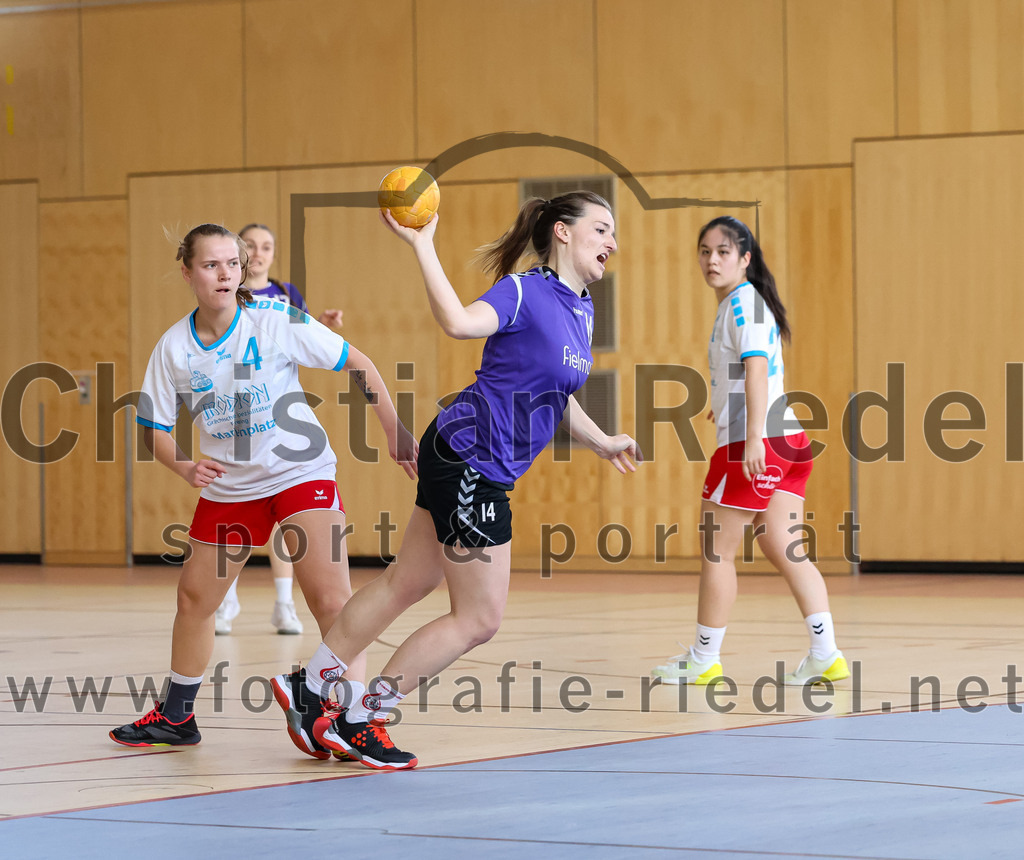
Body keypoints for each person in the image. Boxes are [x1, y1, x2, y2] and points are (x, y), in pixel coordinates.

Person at [271, 191, 642, 770]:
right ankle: (359, 718)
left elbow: (557, 391)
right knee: (479, 618)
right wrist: (423, 245)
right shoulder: (524, 291)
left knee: (405, 584)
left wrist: (602, 441)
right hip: (473, 458)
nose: (612, 242)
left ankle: (312, 688)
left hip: (462, 452)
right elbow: (458, 322)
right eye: (601, 229)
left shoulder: (582, 306)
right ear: (564, 233)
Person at [110, 223, 416, 749]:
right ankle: (178, 717)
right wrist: (184, 467)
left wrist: (394, 429)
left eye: (233, 263)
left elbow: (357, 362)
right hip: (231, 486)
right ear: (188, 273)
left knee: (332, 598)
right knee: (195, 598)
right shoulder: (174, 348)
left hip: (301, 472)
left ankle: (355, 720)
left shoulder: (273, 319)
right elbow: (154, 428)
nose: (225, 273)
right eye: (211, 265)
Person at [651, 215, 850, 688]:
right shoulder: (742, 305)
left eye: (722, 251)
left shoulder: (742, 304)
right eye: (704, 251)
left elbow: (757, 370)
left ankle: (703, 658)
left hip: (757, 443)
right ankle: (826, 653)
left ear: (744, 259)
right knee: (782, 544)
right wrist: (724, 408)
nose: (711, 260)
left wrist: (753, 435)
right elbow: (748, 376)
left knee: (716, 550)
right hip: (789, 439)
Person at [214, 222, 345, 636]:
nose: (260, 251)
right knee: (232, 508)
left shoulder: (285, 296)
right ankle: (225, 602)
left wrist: (319, 322)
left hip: (278, 416)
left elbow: (302, 340)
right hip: (234, 411)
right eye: (250, 245)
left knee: (284, 517)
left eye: (266, 245)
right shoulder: (225, 293)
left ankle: (284, 604)